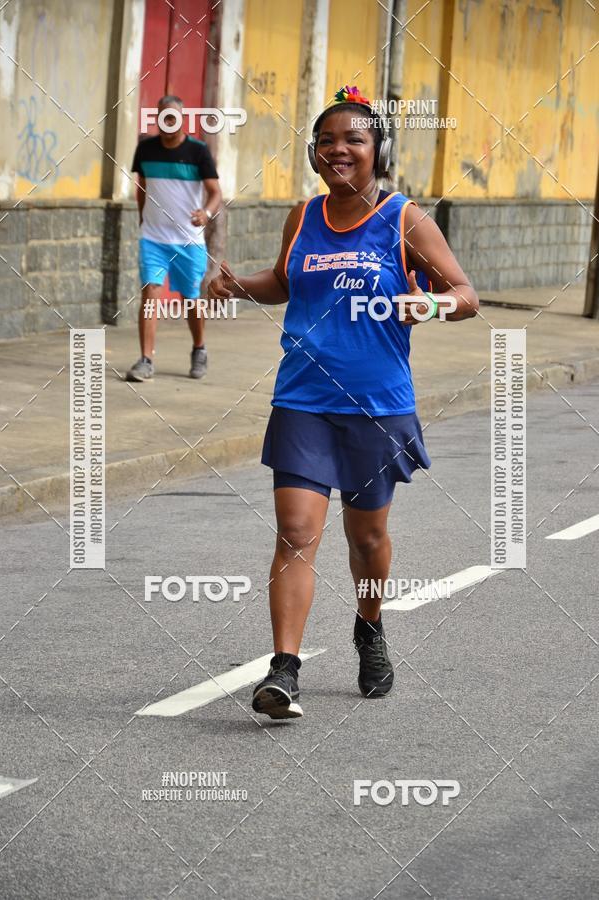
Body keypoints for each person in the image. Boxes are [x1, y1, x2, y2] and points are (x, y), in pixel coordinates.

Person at [208, 85, 479, 720]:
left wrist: (430, 303)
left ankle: (369, 624)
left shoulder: (403, 218)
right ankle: (285, 670)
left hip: (377, 406)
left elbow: (465, 295)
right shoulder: (303, 217)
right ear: (313, 153)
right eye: (327, 141)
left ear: (377, 150)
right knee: (296, 533)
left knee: (369, 536)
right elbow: (285, 280)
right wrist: (238, 286)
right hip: (302, 398)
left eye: (354, 138)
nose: (339, 149)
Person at [127, 95, 222, 382]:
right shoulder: (145, 149)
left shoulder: (198, 151)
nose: (169, 123)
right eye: (164, 117)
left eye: (174, 117)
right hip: (153, 238)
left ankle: (199, 348)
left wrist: (206, 213)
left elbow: (216, 192)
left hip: (188, 240)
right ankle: (145, 360)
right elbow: (142, 187)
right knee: (151, 293)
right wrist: (143, 218)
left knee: (190, 298)